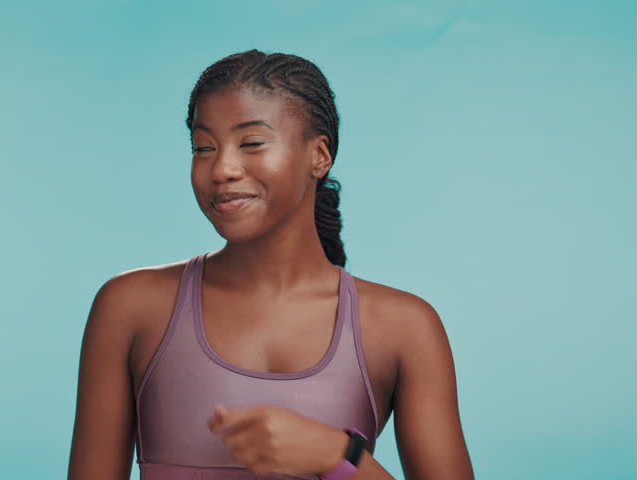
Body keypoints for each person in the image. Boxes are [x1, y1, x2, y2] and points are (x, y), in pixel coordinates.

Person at [67, 49, 474, 480]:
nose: (222, 168)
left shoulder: (403, 327)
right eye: (203, 148)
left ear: (319, 156)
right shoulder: (131, 308)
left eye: (252, 143)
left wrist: (337, 456)